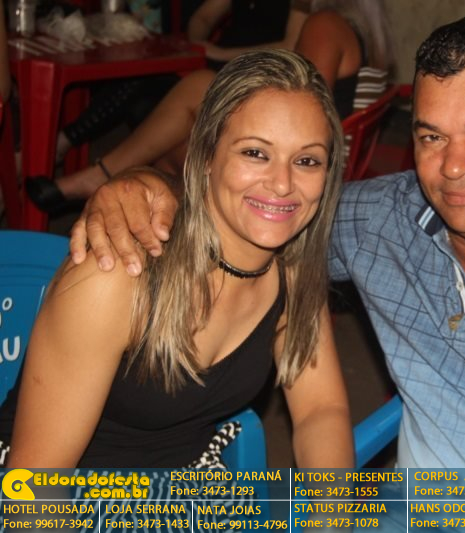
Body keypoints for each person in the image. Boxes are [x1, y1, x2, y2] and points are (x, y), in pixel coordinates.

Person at [69, 14, 465, 469]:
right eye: (432, 136)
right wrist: (145, 185)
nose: (454, 165)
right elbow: (259, 207)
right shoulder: (384, 220)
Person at [0, 49, 352, 469]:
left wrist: (331, 503)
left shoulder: (292, 271)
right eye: (255, 153)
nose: (282, 183)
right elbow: (35, 481)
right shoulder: (116, 274)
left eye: (307, 160)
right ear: (205, 157)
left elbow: (321, 410)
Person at [26, 0, 392, 213]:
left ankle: (105, 185)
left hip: (307, 168)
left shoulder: (324, 25)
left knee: (176, 141)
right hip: (320, 160)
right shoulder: (359, 30)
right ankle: (103, 181)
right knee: (190, 103)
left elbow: (300, 111)